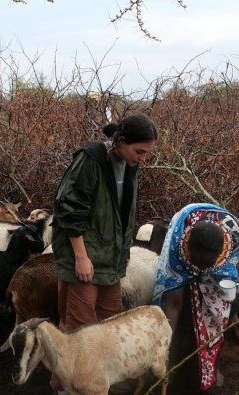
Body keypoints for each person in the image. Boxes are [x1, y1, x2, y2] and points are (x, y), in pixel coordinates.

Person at [50, 114, 158, 388]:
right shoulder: (90, 160)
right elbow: (68, 209)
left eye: (147, 153)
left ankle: (101, 381)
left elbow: (121, 213)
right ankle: (66, 386)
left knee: (111, 324)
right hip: (85, 259)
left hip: (110, 260)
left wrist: (122, 254)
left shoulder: (130, 164)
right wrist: (81, 258)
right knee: (80, 328)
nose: (143, 158)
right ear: (121, 142)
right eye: (139, 151)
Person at [153, 203, 239, 394]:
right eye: (196, 263)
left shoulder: (237, 239)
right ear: (188, 247)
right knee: (174, 298)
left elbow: (223, 283)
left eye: (205, 264)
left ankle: (211, 361)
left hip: (218, 261)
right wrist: (165, 349)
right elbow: (174, 303)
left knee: (219, 308)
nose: (200, 269)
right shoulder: (177, 244)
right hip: (184, 237)